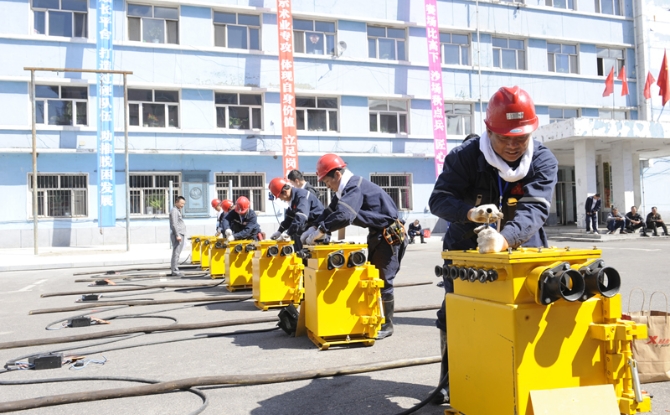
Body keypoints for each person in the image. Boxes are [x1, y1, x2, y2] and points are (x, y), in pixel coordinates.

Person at [428, 86, 558, 404]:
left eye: (521, 137)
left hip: (525, 247)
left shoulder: (543, 160)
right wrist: (469, 214)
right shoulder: (464, 157)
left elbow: (535, 208)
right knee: (457, 314)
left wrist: (505, 237)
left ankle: (527, 386)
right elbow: (439, 200)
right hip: (466, 249)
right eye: (504, 138)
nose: (513, 145)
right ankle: (453, 378)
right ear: (489, 129)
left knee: (531, 315)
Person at [301, 153, 408, 340]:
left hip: (388, 237)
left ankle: (388, 325)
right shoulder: (345, 189)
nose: (328, 186)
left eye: (328, 182)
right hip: (377, 235)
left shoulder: (354, 187)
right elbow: (330, 211)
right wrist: (312, 226)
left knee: (383, 280)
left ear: (337, 175)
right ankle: (374, 317)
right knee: (373, 278)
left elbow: (344, 216)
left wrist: (321, 231)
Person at [268, 177, 324, 250]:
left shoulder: (302, 196)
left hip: (320, 227)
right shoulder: (293, 199)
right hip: (309, 227)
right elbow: (289, 218)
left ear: (285, 192)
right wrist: (279, 231)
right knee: (302, 251)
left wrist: (288, 233)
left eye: (279, 197)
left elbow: (301, 217)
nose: (281, 199)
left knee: (313, 255)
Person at [169, 196, 187, 277]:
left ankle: (175, 269)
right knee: (176, 252)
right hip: (178, 234)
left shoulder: (177, 210)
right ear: (176, 202)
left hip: (180, 233)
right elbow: (174, 223)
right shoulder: (174, 211)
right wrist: (177, 235)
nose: (182, 205)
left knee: (177, 253)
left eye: (184, 204)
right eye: (181, 203)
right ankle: (175, 271)